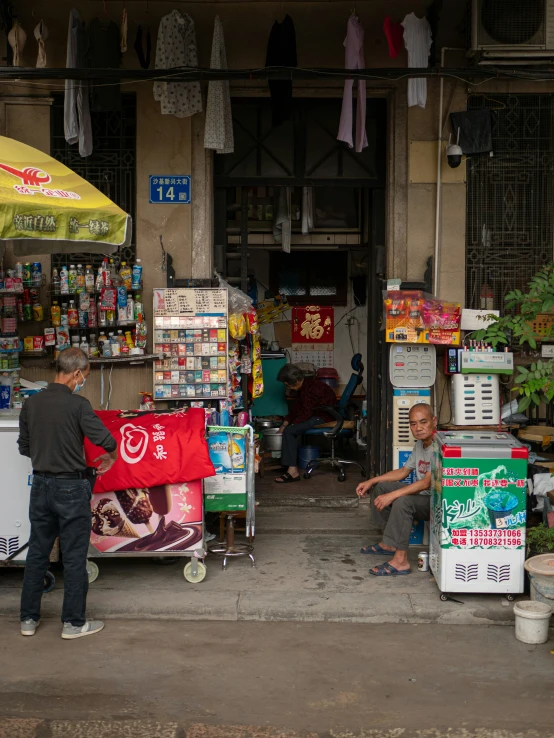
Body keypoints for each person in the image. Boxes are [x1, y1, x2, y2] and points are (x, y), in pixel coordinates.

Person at [17, 347, 118, 639]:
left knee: (37, 552)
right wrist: (110, 457)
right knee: (74, 557)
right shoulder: (78, 405)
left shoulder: (31, 405)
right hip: (71, 488)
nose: (82, 381)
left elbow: (24, 447)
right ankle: (73, 623)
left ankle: (28, 619)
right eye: (84, 376)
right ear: (76, 373)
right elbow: (105, 439)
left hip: (40, 486)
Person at [356, 403, 436, 576]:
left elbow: (426, 483)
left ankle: (401, 561)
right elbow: (403, 472)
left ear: (434, 421)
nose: (419, 428)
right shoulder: (420, 445)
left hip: (435, 501)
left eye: (423, 422)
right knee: (382, 487)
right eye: (413, 424)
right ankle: (389, 543)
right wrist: (371, 480)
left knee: (402, 500)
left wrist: (393, 495)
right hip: (423, 495)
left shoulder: (438, 447)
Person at [275, 363, 337, 483]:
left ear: (297, 380)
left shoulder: (312, 388)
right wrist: (285, 423)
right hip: (315, 415)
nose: (288, 387)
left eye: (289, 384)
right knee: (289, 430)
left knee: (290, 432)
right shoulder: (304, 387)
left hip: (325, 416)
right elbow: (297, 409)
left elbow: (305, 413)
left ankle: (292, 471)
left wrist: (291, 426)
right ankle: (291, 468)